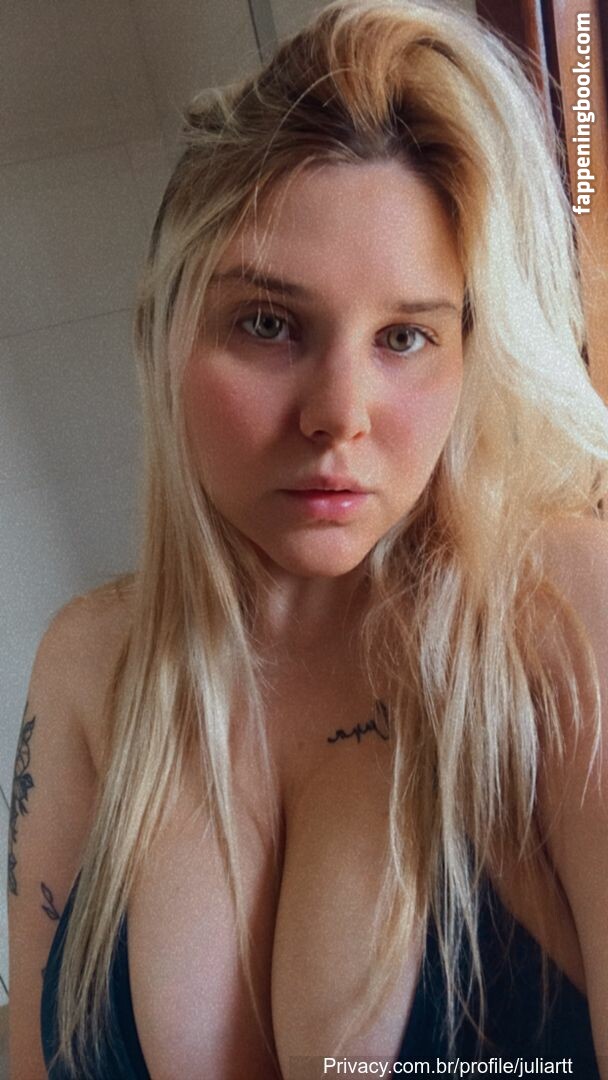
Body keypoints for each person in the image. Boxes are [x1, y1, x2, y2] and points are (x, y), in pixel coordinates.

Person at [7, 0, 608, 1076]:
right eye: (269, 323)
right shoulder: (91, 663)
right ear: (165, 331)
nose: (340, 414)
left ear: (470, 355)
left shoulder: (561, 615)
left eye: (404, 336)